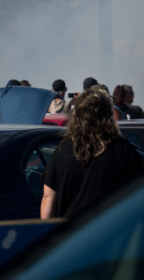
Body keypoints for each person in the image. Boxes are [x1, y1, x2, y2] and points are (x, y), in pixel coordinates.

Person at [41, 88, 144, 220]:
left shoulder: (62, 150)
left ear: (77, 116)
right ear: (107, 115)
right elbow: (137, 197)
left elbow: (48, 196)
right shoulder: (123, 150)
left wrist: (47, 233)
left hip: (70, 235)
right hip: (109, 233)